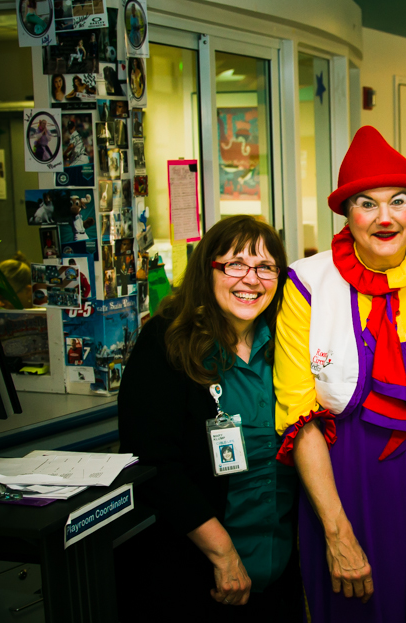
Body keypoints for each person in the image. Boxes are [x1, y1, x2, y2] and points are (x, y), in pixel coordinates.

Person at [273, 126, 406, 622]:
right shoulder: (307, 284)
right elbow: (299, 414)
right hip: (348, 493)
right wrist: (336, 531)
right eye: (367, 203)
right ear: (347, 214)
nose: (385, 217)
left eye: (400, 200)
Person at [116, 216, 302, 622]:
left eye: (265, 267)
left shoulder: (288, 340)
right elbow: (153, 463)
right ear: (208, 269)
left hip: (280, 567)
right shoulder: (167, 342)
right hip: (199, 573)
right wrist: (224, 554)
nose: (250, 279)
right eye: (235, 264)